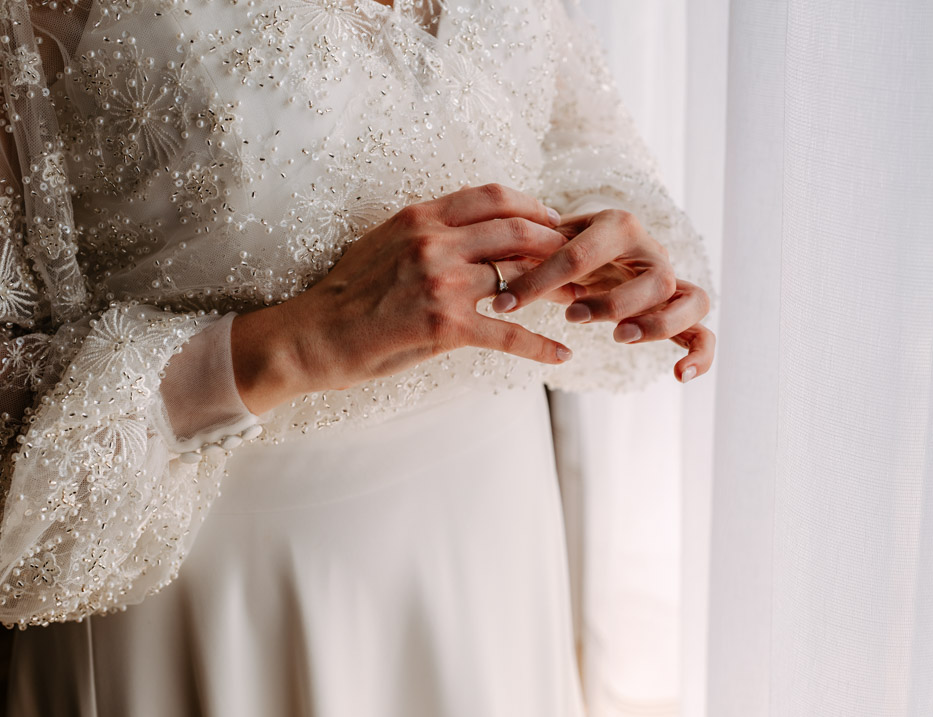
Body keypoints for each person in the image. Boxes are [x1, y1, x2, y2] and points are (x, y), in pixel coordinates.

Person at [0, 0, 713, 714]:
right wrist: (292, 344)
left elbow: (574, 138)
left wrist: (593, 243)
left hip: (497, 535)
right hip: (224, 586)